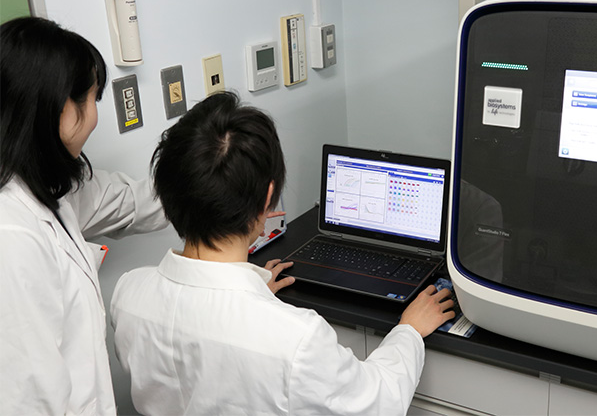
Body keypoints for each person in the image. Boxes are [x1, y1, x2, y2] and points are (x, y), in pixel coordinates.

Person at [111, 91, 456, 415]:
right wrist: (409, 331)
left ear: (167, 194)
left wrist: (255, 291)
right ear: (267, 197)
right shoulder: (296, 339)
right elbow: (378, 402)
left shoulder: (128, 295)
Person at [0, 17, 168, 415]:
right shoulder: (12, 236)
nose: (93, 117)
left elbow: (128, 201)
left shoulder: (48, 188)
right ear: (56, 106)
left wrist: (217, 188)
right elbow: (29, 401)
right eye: (91, 99)